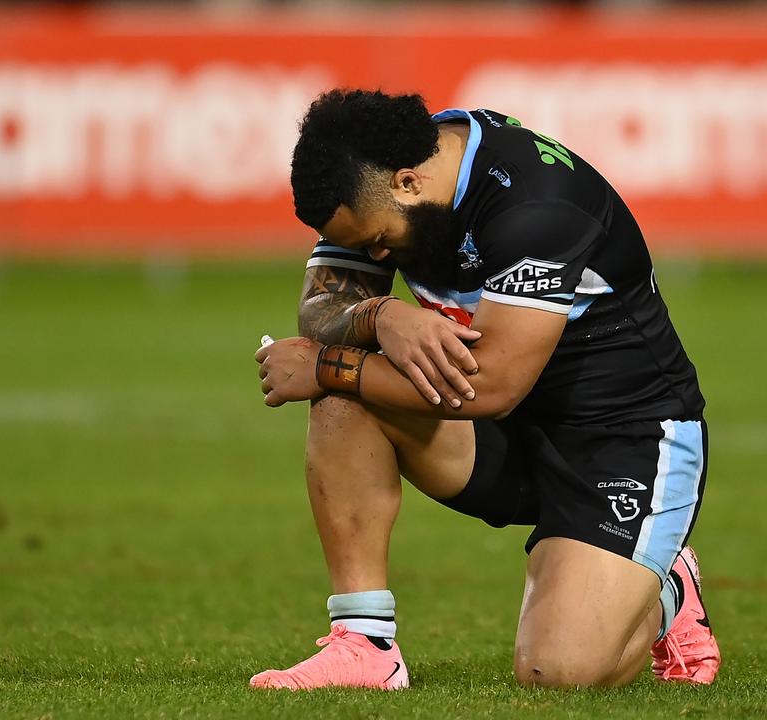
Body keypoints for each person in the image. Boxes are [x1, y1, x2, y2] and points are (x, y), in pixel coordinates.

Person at [250, 89, 720, 690]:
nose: (374, 255)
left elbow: (491, 386)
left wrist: (324, 366)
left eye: (375, 240)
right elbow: (323, 306)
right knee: (345, 396)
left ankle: (666, 582)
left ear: (407, 184)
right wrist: (381, 317)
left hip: (622, 440)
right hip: (504, 433)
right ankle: (365, 644)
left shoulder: (538, 205)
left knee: (561, 673)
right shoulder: (383, 175)